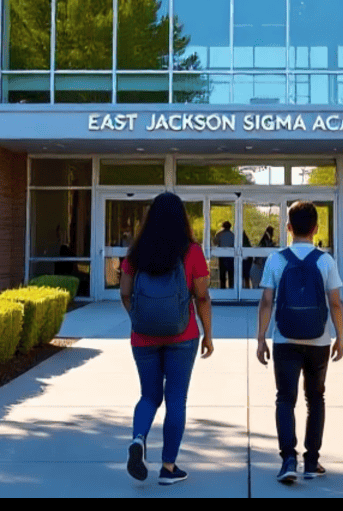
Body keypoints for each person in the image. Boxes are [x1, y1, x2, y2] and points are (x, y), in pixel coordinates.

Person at [120, 192, 214, 486]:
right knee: (176, 398)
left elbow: (124, 291)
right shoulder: (192, 251)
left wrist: (137, 316)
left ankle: (138, 439)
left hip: (143, 336)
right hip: (182, 335)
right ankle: (168, 467)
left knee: (149, 395)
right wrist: (208, 333)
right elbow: (202, 296)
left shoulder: (136, 253)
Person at [256, 201, 343, 485]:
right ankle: (312, 461)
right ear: (317, 228)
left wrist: (261, 338)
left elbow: (266, 301)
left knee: (285, 398)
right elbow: (335, 303)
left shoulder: (276, 259)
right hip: (319, 339)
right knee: (315, 398)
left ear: (289, 228)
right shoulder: (326, 260)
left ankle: (288, 460)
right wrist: (340, 337)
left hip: (285, 338)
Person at [215, 221, 235, 289]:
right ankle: (231, 289)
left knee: (222, 275)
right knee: (231, 275)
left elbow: (215, 242)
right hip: (231, 257)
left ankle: (222, 289)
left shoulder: (219, 234)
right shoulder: (233, 235)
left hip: (222, 257)